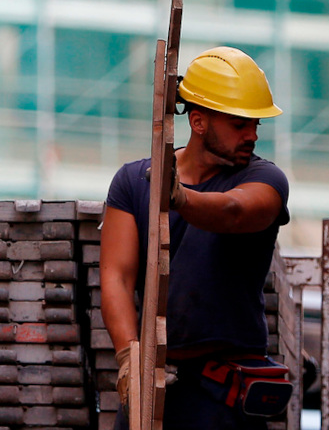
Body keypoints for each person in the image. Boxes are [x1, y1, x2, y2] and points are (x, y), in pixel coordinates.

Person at [100, 46, 291, 430]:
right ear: (199, 122)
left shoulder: (265, 180)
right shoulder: (133, 182)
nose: (252, 134)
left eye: (256, 124)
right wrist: (127, 359)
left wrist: (180, 198)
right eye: (239, 123)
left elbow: (233, 211)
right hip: (149, 387)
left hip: (221, 398)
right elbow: (117, 276)